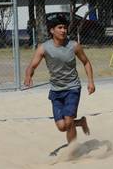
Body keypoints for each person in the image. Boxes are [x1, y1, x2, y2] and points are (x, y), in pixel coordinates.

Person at [24, 15, 95, 144]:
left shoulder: (74, 46)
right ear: (52, 30)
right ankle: (81, 122)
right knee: (62, 126)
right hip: (56, 90)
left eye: (65, 28)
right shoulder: (44, 48)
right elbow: (32, 65)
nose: (63, 30)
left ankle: (72, 149)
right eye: (60, 28)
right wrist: (28, 75)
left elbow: (86, 62)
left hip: (72, 88)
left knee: (68, 121)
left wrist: (91, 82)